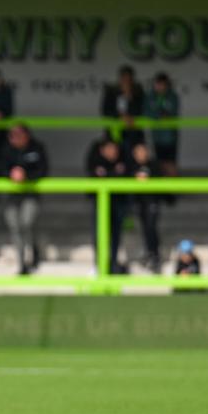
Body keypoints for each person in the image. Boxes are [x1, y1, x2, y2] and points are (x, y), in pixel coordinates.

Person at [0, 123, 48, 274]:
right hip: (11, 195)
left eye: (18, 135)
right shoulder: (5, 150)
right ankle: (22, 263)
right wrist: (10, 173)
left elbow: (43, 169)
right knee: (15, 226)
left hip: (30, 193)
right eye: (12, 135)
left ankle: (34, 253)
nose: (14, 139)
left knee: (26, 223)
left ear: (27, 135)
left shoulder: (37, 148)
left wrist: (25, 175)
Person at [85, 136, 128, 274]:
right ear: (102, 150)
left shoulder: (124, 162)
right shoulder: (94, 163)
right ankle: (100, 264)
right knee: (99, 234)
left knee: (115, 234)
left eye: (114, 149)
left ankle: (113, 263)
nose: (112, 152)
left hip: (118, 203)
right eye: (108, 149)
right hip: (100, 204)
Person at [129, 142, 162, 272]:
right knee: (144, 228)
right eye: (139, 152)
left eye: (144, 151)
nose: (142, 155)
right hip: (140, 203)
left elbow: (160, 180)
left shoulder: (153, 165)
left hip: (152, 202)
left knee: (151, 227)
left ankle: (155, 254)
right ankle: (148, 252)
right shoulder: (132, 166)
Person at [100, 65, 145, 156]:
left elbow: (142, 110)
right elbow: (105, 111)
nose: (126, 81)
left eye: (129, 79)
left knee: (133, 156)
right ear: (120, 79)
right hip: (114, 132)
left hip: (133, 132)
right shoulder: (111, 92)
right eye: (124, 78)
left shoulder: (138, 92)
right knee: (115, 157)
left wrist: (129, 97)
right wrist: (120, 117)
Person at [144, 72, 179, 177]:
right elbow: (148, 112)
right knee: (160, 163)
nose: (160, 87)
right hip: (157, 136)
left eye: (163, 84)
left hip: (170, 136)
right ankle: (163, 190)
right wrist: (159, 116)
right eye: (158, 84)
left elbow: (173, 112)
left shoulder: (172, 96)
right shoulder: (150, 97)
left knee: (170, 163)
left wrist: (165, 116)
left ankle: (172, 190)